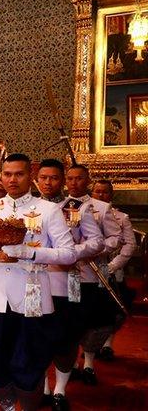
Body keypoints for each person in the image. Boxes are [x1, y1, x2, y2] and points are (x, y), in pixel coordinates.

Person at [0, 154, 76, 411]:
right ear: (0, 176)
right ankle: (9, 407)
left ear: (30, 176)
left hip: (32, 295)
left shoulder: (48, 210)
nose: (12, 179)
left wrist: (30, 252)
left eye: (19, 174)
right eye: (7, 174)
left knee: (30, 361)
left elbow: (69, 254)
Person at [34, 159, 104, 410]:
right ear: (37, 179)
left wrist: (72, 251)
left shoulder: (77, 208)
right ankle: (40, 389)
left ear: (62, 180)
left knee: (66, 339)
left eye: (54, 177)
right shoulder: (29, 208)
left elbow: (97, 242)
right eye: (43, 178)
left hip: (66, 283)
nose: (48, 182)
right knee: (37, 338)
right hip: (35, 284)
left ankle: (59, 391)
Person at [64, 165, 121, 388]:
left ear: (87, 180)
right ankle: (70, 365)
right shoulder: (57, 207)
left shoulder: (100, 207)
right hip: (64, 275)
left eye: (79, 179)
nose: (74, 183)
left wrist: (91, 249)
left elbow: (115, 238)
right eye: (70, 178)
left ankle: (88, 363)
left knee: (90, 321)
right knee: (69, 321)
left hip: (92, 272)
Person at [90, 179, 136, 361]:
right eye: (97, 192)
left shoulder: (121, 217)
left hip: (111, 271)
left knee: (114, 310)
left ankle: (108, 342)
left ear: (111, 195)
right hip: (88, 271)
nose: (101, 195)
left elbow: (130, 245)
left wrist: (112, 266)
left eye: (105, 192)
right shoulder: (82, 214)